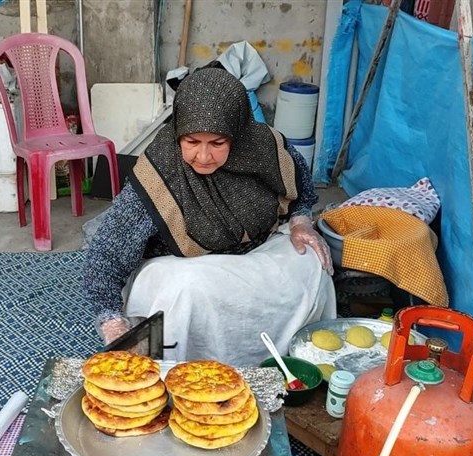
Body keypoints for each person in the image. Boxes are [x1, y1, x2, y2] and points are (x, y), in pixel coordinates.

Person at [83, 68, 336, 366]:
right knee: (188, 289)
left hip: (254, 252)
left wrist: (301, 222)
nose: (203, 157)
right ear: (178, 132)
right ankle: (175, 372)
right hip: (184, 266)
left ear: (237, 132)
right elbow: (105, 257)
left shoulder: (265, 148)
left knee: (312, 260)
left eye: (217, 143)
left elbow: (300, 191)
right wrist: (113, 323)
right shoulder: (160, 174)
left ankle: (287, 356)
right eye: (191, 142)